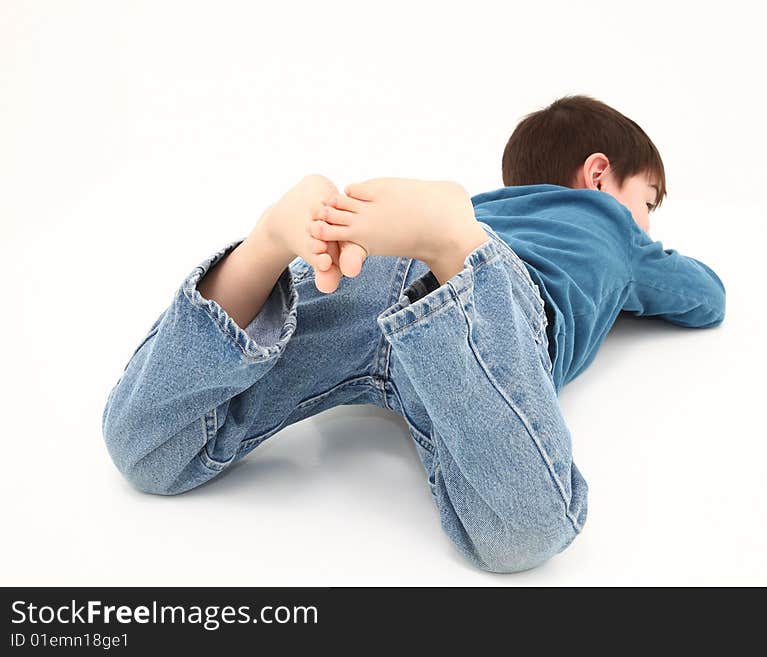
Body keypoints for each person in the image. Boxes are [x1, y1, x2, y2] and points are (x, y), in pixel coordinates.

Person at [101, 94, 726, 573]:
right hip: (484, 297)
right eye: (648, 199)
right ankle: (453, 252)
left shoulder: (493, 205)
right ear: (598, 175)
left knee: (149, 453)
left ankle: (266, 246)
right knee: (525, 533)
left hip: (367, 257)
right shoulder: (612, 229)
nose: (646, 221)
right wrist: (639, 240)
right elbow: (705, 298)